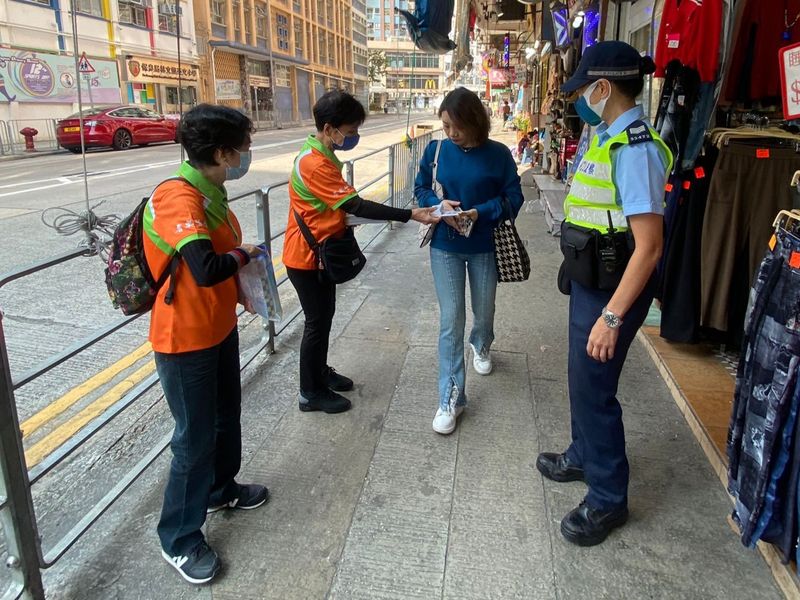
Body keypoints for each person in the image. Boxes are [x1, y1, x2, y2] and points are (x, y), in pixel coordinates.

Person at [535, 42, 673, 546]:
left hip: (615, 291)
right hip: (592, 279)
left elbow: (650, 247)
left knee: (596, 390)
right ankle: (582, 454)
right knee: (580, 379)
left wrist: (612, 317)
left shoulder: (635, 148)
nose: (577, 100)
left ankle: (608, 500)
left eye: (581, 90)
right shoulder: (606, 135)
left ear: (603, 88)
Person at [143, 104, 269, 584]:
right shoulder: (181, 197)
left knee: (223, 417)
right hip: (185, 338)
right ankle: (178, 538)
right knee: (193, 439)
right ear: (221, 152)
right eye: (243, 148)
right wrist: (245, 254)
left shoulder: (211, 191)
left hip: (217, 327)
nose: (246, 156)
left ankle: (221, 489)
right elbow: (206, 267)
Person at [284, 90, 439, 415]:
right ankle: (309, 392)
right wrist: (410, 214)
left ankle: (320, 372)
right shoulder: (314, 164)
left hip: (318, 253)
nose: (353, 136)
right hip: (306, 258)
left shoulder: (320, 155)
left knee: (323, 320)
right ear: (329, 129)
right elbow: (355, 204)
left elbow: (338, 208)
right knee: (316, 323)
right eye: (350, 131)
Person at [414, 87, 524, 435]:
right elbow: (420, 188)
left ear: (475, 121)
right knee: (451, 318)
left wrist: (482, 212)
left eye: (456, 126)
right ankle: (451, 396)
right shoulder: (435, 151)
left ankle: (482, 342)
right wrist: (438, 206)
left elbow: (513, 196)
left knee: (484, 307)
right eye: (445, 125)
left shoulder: (499, 154)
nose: (450, 133)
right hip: (444, 245)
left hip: (485, 244)